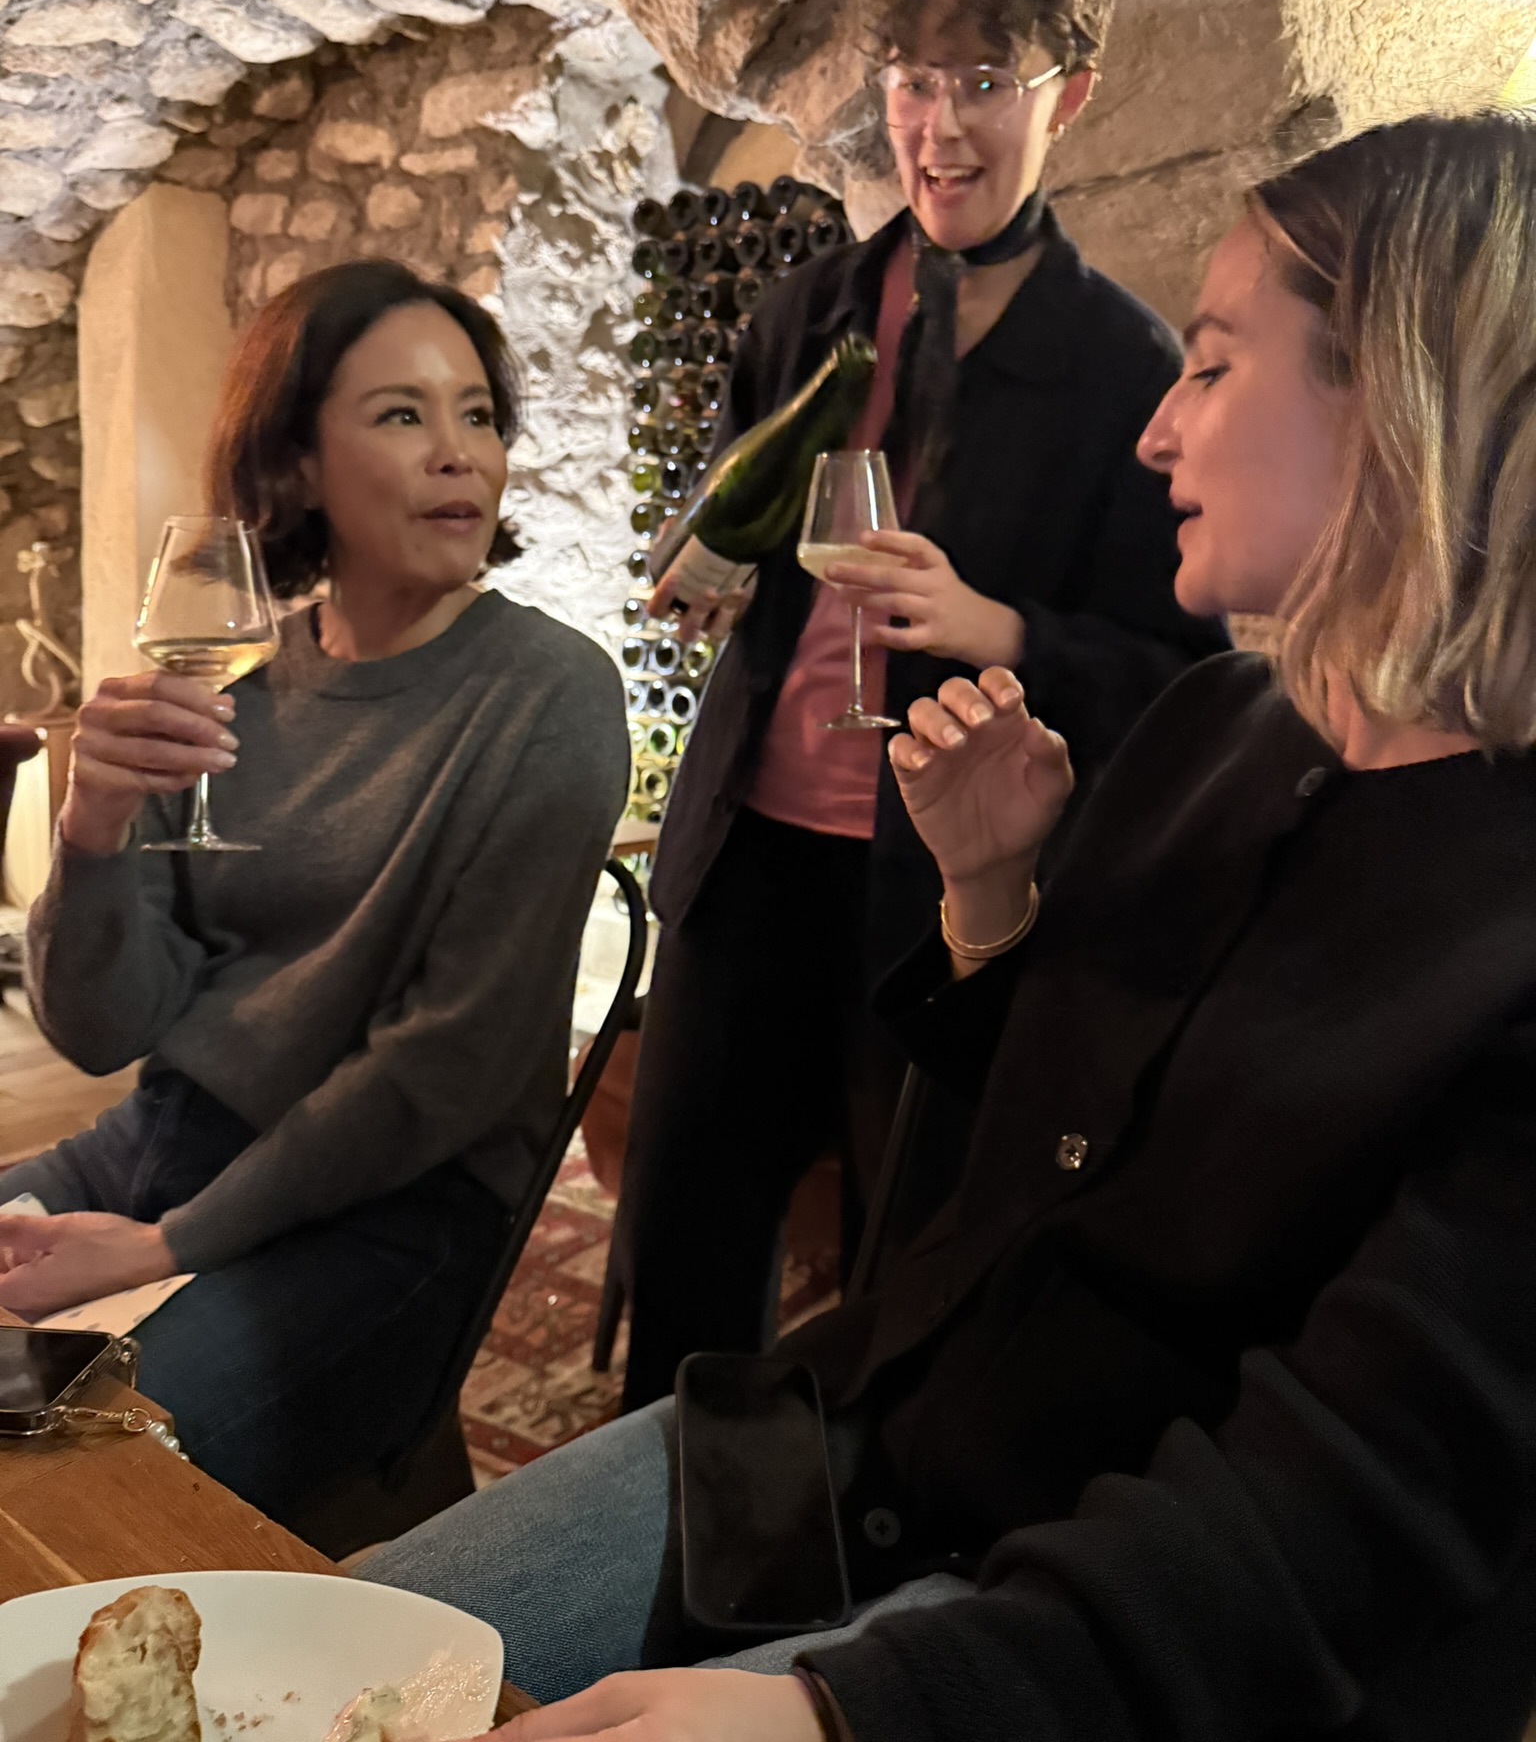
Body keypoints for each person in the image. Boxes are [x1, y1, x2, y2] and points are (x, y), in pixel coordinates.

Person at [367, 110, 1536, 1741]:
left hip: (1098, 1612)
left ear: (1404, 401)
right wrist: (989, 901)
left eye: (1210, 366)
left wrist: (831, 1713)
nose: (1156, 432)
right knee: (352, 1655)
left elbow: (1338, 1521)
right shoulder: (1215, 729)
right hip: (869, 1443)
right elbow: (1002, 1185)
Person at [617, 0, 1227, 1407]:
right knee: (684, 1253)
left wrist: (999, 630)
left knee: (903, 1276)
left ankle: (836, 1539)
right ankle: (656, 1524)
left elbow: (1180, 682)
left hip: (941, 897)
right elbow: (730, 523)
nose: (939, 129)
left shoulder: (1125, 368)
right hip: (748, 854)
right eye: (912, 81)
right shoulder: (805, 311)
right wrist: (703, 563)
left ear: (1069, 95)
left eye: (985, 82)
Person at [0, 261, 629, 1528]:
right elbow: (105, 1029)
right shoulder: (227, 683)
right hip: (166, 1140)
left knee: (67, 1478)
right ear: (295, 464)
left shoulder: (548, 693)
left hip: (389, 1211)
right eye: (402, 413)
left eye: (478, 414)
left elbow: (442, 1071)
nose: (459, 452)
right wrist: (92, 828)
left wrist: (165, 1245)